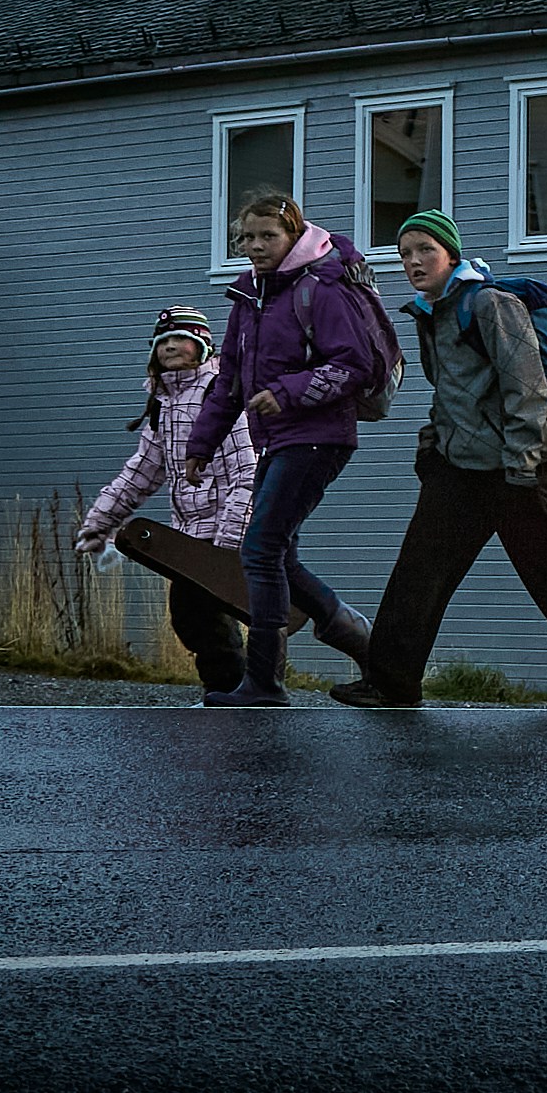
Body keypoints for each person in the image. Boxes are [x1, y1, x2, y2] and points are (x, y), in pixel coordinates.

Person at [332, 208, 547, 712]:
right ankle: (391, 681)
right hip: (458, 467)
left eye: (425, 251)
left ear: (451, 254)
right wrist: (432, 442)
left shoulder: (489, 303)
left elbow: (527, 387)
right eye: (404, 254)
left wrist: (524, 461)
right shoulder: (430, 313)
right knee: (421, 569)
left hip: (517, 464)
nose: (413, 262)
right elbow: (451, 391)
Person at [183, 191, 389, 707]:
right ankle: (373, 650)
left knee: (260, 548)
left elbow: (355, 364)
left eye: (266, 236)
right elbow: (229, 379)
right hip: (278, 439)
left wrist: (288, 391)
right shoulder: (249, 297)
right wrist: (201, 443)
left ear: (293, 235)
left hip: (319, 438)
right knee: (282, 559)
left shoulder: (321, 289)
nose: (255, 246)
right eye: (246, 238)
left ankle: (265, 682)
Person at [75, 305, 261, 696]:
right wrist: (100, 524)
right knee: (189, 618)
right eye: (163, 341)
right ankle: (231, 693)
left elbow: (247, 471)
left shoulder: (219, 393)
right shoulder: (165, 403)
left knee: (204, 617)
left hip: (223, 531)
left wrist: (230, 545)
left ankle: (233, 696)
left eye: (181, 339)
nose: (170, 347)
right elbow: (142, 471)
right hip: (189, 534)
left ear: (203, 346)